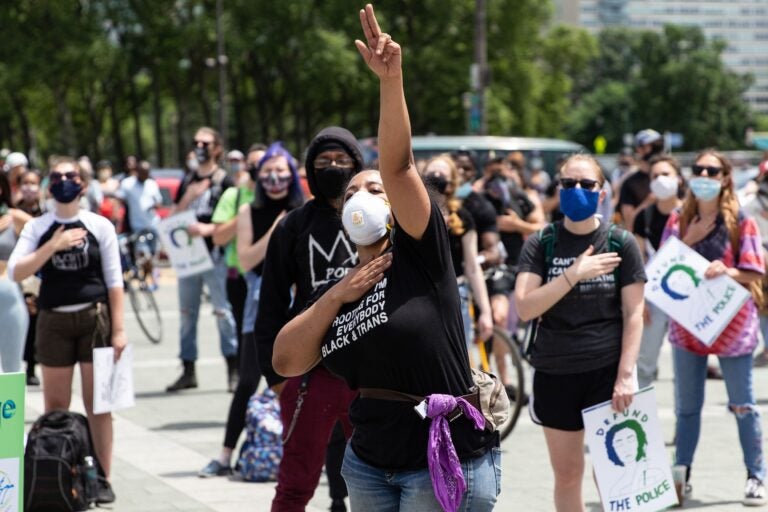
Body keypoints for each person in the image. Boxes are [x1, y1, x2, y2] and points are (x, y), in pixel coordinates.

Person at [273, 6, 500, 510]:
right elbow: (287, 360)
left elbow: (398, 166)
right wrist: (337, 294)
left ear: (393, 206)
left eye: (373, 188)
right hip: (370, 465)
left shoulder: (420, 255)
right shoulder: (334, 292)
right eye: (352, 191)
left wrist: (390, 81)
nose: (362, 194)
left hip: (439, 458)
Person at [514, 153, 646, 511]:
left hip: (606, 373)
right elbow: (526, 307)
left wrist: (626, 375)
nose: (577, 190)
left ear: (601, 193)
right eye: (568, 183)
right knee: (568, 474)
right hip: (555, 372)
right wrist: (574, 274)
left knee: (613, 473)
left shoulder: (620, 242)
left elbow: (635, 313)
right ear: (557, 189)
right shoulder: (542, 242)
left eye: (587, 184)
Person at [254, 126, 363, 512]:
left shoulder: (378, 219)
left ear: (358, 167)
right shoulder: (293, 225)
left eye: (342, 161)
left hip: (369, 374)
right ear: (310, 170)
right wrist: (276, 376)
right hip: (309, 374)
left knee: (380, 478)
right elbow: (268, 306)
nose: (333, 168)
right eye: (323, 162)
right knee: (296, 483)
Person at [8, 156, 125, 504]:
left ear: (83, 184)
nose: (63, 181)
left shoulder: (98, 225)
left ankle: (102, 479)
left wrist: (119, 330)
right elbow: (15, 271)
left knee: (99, 405)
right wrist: (53, 246)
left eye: (70, 175)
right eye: (56, 176)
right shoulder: (38, 227)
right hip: (53, 321)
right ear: (48, 184)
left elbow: (115, 280)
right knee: (55, 407)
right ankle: (62, 474)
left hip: (94, 318)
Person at [661, 150, 767, 505]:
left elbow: (754, 271)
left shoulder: (742, 221)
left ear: (725, 177)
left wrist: (729, 271)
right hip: (687, 328)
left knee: (743, 405)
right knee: (687, 408)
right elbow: (659, 268)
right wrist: (688, 239)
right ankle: (682, 474)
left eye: (713, 170)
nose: (704, 174)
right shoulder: (677, 220)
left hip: (733, 328)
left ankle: (756, 475)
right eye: (699, 169)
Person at [200, 141, 304, 477]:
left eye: (281, 171)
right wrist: (278, 228)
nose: (275, 177)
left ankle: (307, 458)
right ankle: (225, 454)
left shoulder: (307, 210)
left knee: (306, 384)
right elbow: (246, 260)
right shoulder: (248, 212)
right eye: (268, 171)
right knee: (247, 380)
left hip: (301, 307)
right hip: (259, 306)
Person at [166, 127, 238, 392]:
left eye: (205, 143)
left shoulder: (225, 182)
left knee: (223, 312)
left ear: (217, 148)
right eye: (196, 142)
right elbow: (173, 215)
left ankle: (233, 368)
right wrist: (189, 196)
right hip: (189, 258)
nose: (199, 146)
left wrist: (209, 230)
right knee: (187, 314)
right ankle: (188, 370)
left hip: (215, 256)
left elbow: (237, 217)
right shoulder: (187, 180)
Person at [211, 144, 266, 393]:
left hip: (272, 276)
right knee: (248, 339)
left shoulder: (282, 195)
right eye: (253, 165)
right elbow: (219, 237)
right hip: (239, 278)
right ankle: (246, 387)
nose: (258, 171)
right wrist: (247, 212)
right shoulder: (234, 196)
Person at [421, 155, 493, 345]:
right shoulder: (411, 214)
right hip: (419, 293)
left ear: (452, 184)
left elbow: (472, 267)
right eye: (432, 173)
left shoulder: (463, 217)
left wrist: (485, 311)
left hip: (455, 293)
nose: (436, 176)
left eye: (442, 174)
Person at [631, 155, 683, 388]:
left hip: (686, 293)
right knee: (645, 362)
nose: (661, 180)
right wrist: (639, 300)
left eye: (666, 174)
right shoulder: (645, 216)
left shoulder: (688, 214)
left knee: (686, 362)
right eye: (655, 176)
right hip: (653, 296)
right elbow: (637, 261)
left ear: (679, 179)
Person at [14, 169, 44, 384]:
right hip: (17, 275)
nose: (29, 187)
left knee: (36, 322)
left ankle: (32, 367)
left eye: (33, 183)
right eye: (25, 183)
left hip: (40, 274)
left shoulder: (45, 213)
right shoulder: (12, 213)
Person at [0, 171, 31, 373]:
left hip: (7, 296)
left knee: (11, 372)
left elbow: (48, 237)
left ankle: (15, 407)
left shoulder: (14, 217)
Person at [116, 160, 162, 286]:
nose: (145, 175)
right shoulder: (127, 184)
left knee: (152, 256)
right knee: (143, 255)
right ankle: (146, 278)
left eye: (147, 173)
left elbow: (159, 201)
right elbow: (119, 198)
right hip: (138, 226)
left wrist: (153, 205)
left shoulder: (152, 184)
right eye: (143, 172)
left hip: (153, 224)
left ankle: (148, 278)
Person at [618, 129, 664, 231]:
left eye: (657, 147)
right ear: (639, 149)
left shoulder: (673, 177)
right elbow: (629, 223)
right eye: (650, 147)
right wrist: (649, 202)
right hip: (644, 238)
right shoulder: (630, 183)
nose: (655, 152)